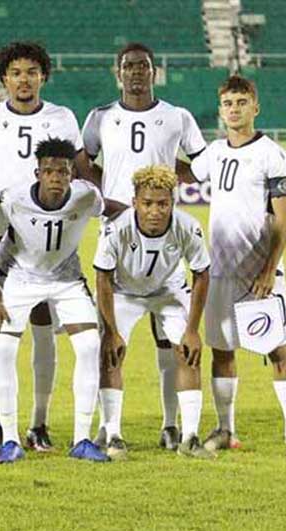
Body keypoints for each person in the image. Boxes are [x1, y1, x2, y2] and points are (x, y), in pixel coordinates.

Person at [0, 41, 90, 451]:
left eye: (32, 72)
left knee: (46, 331)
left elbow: (80, 174)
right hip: (2, 236)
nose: (23, 80)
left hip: (50, 239)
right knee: (1, 328)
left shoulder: (62, 117)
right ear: (3, 78)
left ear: (43, 76)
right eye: (15, 73)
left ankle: (39, 421)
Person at [80, 42, 208, 450]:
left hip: (165, 231)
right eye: (129, 66)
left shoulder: (177, 117)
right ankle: (110, 427)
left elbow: (201, 165)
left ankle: (173, 425)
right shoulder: (100, 117)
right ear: (118, 73)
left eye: (144, 66)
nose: (136, 72)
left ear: (155, 72)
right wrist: (109, 200)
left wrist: (167, 181)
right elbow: (84, 162)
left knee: (169, 342)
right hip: (119, 230)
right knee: (111, 340)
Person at [191, 75, 286, 457]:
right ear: (220, 110)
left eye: (242, 102)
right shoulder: (214, 152)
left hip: (260, 275)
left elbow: (284, 218)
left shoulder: (271, 154)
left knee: (277, 351)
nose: (234, 109)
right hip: (222, 272)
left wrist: (268, 270)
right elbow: (185, 173)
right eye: (227, 103)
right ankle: (226, 429)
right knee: (222, 353)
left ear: (255, 107)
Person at [0, 138, 108, 464]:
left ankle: (82, 438)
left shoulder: (86, 196)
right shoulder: (13, 199)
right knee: (4, 348)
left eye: (63, 172)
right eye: (49, 171)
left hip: (66, 280)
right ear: (37, 172)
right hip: (20, 279)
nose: (56, 178)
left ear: (72, 174)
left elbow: (111, 209)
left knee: (91, 345)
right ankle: (9, 439)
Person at [93, 164, 214, 459]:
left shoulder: (188, 226)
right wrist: (110, 332)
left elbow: (202, 274)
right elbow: (103, 279)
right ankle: (113, 434)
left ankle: (189, 437)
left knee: (188, 353)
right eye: (147, 203)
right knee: (111, 355)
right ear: (135, 202)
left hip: (168, 292)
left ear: (172, 202)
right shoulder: (115, 229)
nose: (155, 211)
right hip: (124, 292)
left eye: (163, 204)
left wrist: (193, 330)